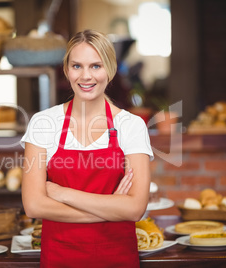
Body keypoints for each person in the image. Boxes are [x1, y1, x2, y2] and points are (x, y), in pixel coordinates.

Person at [20, 29, 153, 267]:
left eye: (95, 66)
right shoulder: (43, 123)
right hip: (59, 257)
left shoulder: (131, 126)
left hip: (117, 258)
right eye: (77, 66)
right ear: (66, 70)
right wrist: (110, 208)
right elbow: (33, 205)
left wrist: (63, 194)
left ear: (110, 70)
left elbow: (134, 209)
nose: (85, 76)